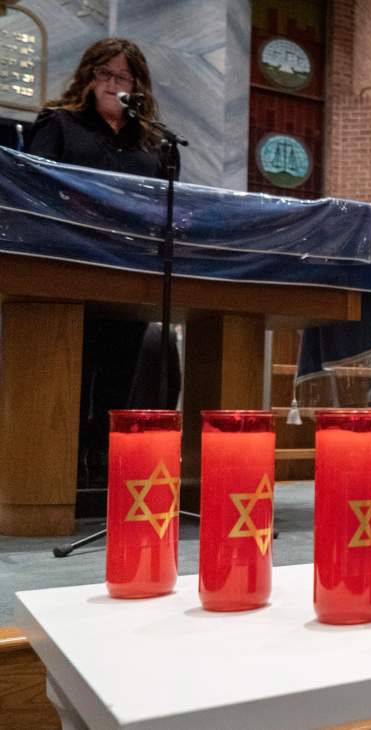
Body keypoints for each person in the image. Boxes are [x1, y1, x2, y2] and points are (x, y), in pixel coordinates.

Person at [25, 38, 180, 500]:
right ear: (89, 77)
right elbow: (34, 187)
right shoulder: (61, 123)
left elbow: (170, 203)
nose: (113, 85)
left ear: (138, 86)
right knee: (70, 373)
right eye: (105, 75)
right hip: (67, 265)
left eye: (123, 78)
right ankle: (56, 474)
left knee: (118, 376)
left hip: (128, 270)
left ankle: (102, 474)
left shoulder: (152, 141)